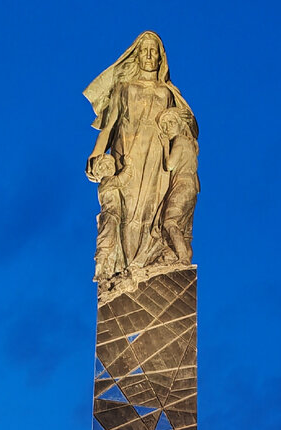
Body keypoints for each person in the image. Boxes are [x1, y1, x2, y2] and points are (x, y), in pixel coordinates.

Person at [84, 31, 196, 270]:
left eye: (153, 51)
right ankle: (126, 266)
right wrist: (96, 154)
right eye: (144, 50)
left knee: (152, 212)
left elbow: (179, 127)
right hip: (127, 153)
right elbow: (109, 125)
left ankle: (147, 261)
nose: (148, 55)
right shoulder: (123, 88)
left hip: (157, 157)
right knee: (126, 209)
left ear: (159, 58)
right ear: (136, 55)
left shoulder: (167, 93)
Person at [156, 107, 198, 264]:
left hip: (182, 184)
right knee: (185, 232)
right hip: (192, 188)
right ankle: (185, 260)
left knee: (170, 222)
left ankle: (183, 259)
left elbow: (170, 164)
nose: (168, 128)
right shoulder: (191, 144)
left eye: (172, 122)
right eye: (165, 125)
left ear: (181, 124)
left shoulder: (180, 141)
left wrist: (165, 145)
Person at [92, 154, 125, 282]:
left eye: (110, 165)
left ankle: (108, 269)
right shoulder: (106, 181)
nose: (108, 168)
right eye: (104, 166)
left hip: (113, 216)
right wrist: (128, 165)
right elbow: (122, 180)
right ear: (99, 172)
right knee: (106, 241)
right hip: (110, 216)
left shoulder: (106, 182)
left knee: (112, 242)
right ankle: (99, 271)